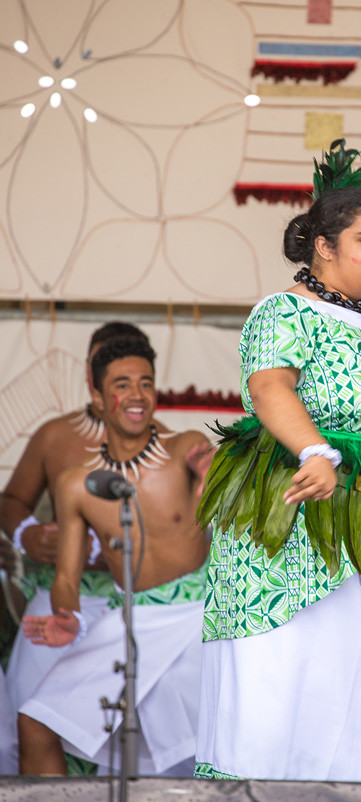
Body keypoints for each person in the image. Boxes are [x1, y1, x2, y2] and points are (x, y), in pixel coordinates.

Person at [194, 139, 361, 782]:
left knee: (352, 699)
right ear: (323, 246)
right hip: (294, 523)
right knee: (281, 693)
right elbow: (270, 388)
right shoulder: (283, 311)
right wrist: (317, 450)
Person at [17, 335, 213, 776]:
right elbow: (66, 578)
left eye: (146, 383)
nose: (137, 394)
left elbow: (212, 462)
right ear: (99, 399)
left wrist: (213, 473)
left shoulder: (184, 448)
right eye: (122, 385)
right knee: (35, 725)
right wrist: (67, 615)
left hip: (199, 615)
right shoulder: (76, 483)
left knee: (213, 745)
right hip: (131, 618)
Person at [2, 322, 155, 721]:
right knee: (34, 712)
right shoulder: (55, 436)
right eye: (101, 367)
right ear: (90, 376)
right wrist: (27, 534)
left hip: (136, 604)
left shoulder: (166, 446)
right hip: (61, 595)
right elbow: (13, 500)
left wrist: (124, 553)